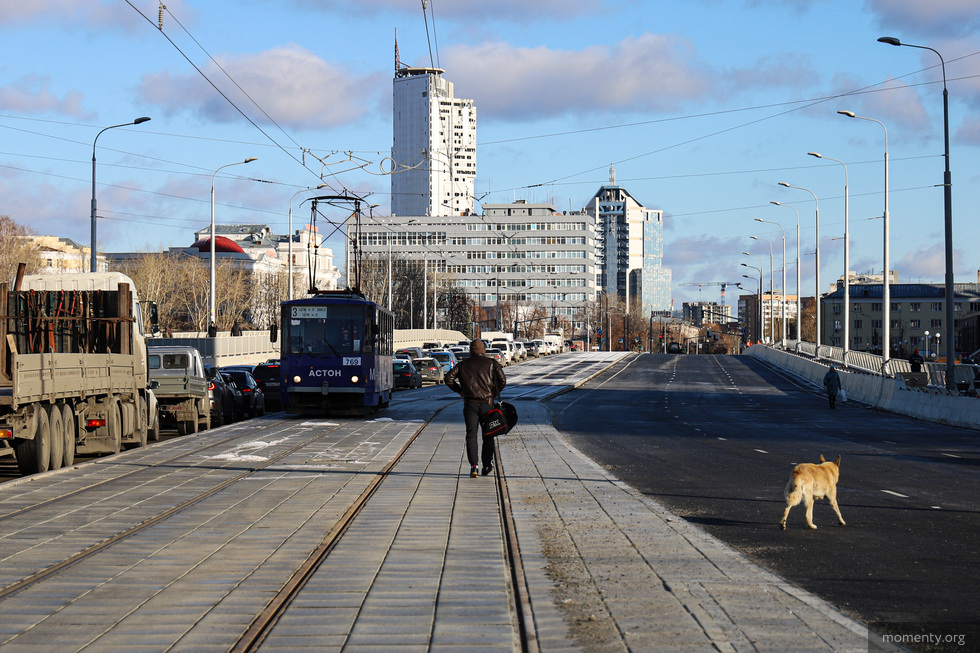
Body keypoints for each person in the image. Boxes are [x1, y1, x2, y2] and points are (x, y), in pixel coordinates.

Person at [444, 339, 507, 478]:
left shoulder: (462, 365)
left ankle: (474, 467)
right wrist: (493, 393)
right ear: (483, 350)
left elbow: (448, 378)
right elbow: (503, 381)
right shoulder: (491, 363)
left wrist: (460, 391)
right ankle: (486, 466)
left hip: (470, 404)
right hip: (487, 404)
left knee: (471, 435)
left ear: (471, 350)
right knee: (488, 435)